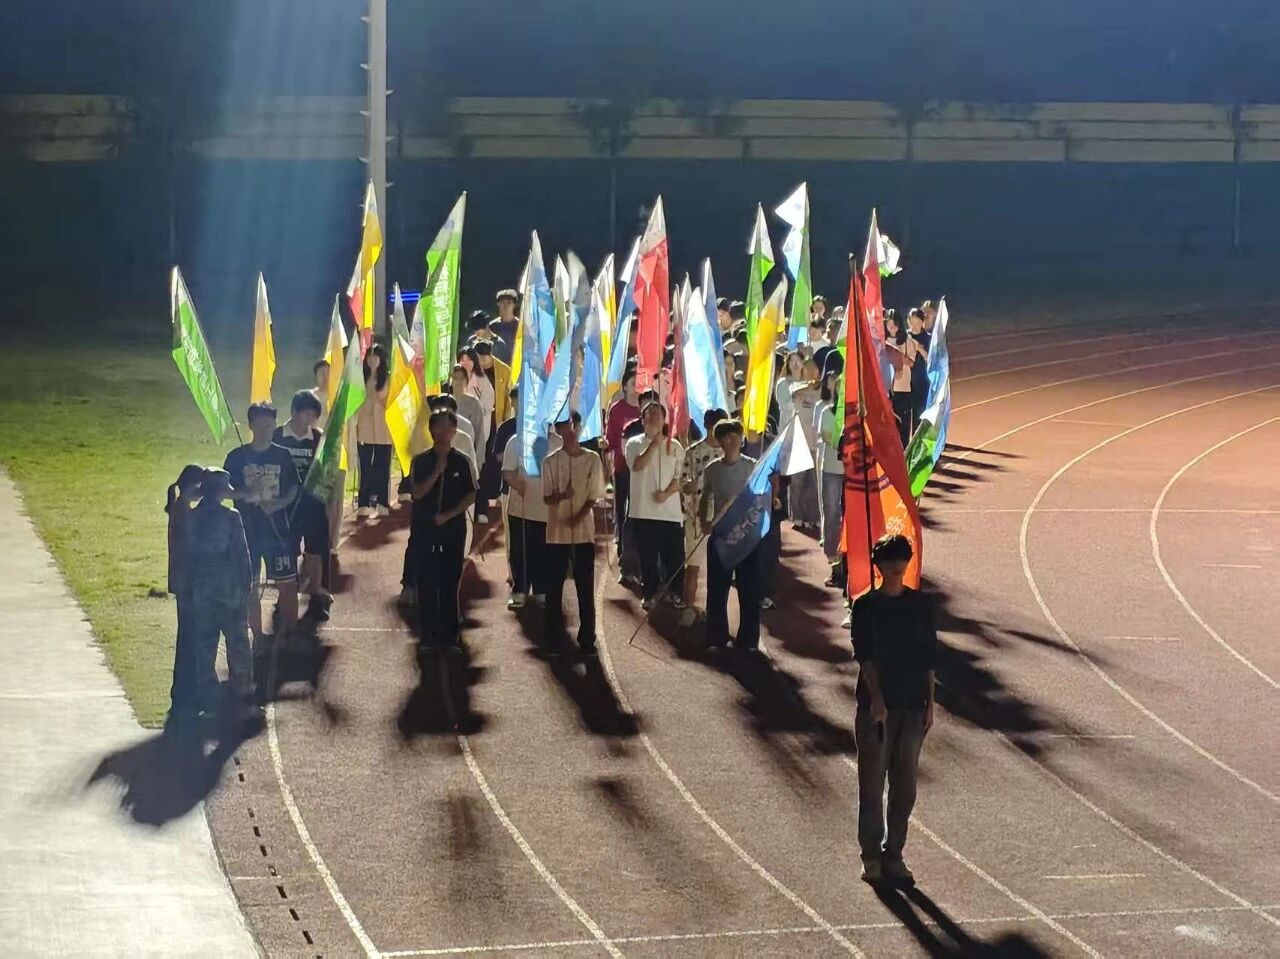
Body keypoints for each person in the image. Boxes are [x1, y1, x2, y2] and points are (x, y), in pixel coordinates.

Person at [852, 533, 937, 886]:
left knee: (905, 787)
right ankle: (871, 855)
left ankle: (895, 853)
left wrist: (931, 703)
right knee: (872, 784)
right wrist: (876, 698)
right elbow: (864, 655)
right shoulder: (865, 607)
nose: (896, 565)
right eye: (889, 559)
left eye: (901, 558)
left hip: (913, 705)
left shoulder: (920, 605)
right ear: (879, 565)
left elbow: (929, 656)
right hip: (879, 710)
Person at [184, 468, 256, 722]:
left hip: (202, 590)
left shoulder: (192, 517)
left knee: (205, 647)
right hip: (230, 590)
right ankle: (242, 697)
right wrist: (247, 586)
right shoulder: (231, 517)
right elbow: (241, 555)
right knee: (238, 644)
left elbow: (187, 556)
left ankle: (208, 701)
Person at [223, 402, 299, 639]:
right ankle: (257, 636)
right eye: (261, 425)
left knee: (287, 584)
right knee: (251, 586)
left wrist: (278, 504)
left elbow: (293, 488)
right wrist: (244, 493)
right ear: (251, 425)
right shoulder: (236, 457)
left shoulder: (283, 455)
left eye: (270, 425)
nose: (266, 430)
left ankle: (289, 634)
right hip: (247, 532)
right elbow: (224, 492)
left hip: (278, 531)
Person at [409, 410, 477, 652]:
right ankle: (428, 636)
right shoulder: (420, 461)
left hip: (452, 531)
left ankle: (450, 637)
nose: (444, 431)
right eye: (439, 426)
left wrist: (449, 515)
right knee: (426, 582)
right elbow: (416, 493)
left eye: (449, 427)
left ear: (455, 431)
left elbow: (471, 494)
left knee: (449, 583)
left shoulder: (462, 462)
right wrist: (437, 471)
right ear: (431, 430)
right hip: (425, 530)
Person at [542, 412, 605, 656]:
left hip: (583, 534)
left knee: (585, 588)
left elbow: (594, 495)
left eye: (572, 425)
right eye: (563, 426)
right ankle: (553, 640)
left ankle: (587, 639)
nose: (569, 430)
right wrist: (562, 495)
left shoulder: (592, 459)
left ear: (579, 427)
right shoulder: (550, 462)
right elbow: (547, 497)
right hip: (556, 534)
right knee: (553, 589)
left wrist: (578, 517)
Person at [701, 420, 765, 650]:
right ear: (720, 442)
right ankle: (716, 636)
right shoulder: (712, 470)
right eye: (727, 437)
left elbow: (764, 496)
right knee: (717, 590)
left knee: (749, 590)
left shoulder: (754, 467)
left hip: (747, 538)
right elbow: (705, 497)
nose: (733, 440)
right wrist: (704, 521)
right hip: (721, 537)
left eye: (737, 435)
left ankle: (748, 640)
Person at [274, 390, 333, 621]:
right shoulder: (278, 436)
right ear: (294, 412)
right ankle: (285, 598)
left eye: (314, 416)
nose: (310, 421)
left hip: (313, 505)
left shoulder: (319, 439)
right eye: (307, 414)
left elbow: (327, 470)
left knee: (316, 552)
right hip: (285, 506)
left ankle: (316, 595)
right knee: (287, 552)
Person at [624, 401, 685, 610]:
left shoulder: (675, 446)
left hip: (670, 513)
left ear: (665, 419)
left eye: (658, 413)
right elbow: (637, 465)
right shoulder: (633, 443)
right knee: (647, 558)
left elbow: (679, 478)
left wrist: (666, 494)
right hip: (643, 512)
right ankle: (649, 593)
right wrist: (655, 443)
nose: (653, 417)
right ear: (642, 420)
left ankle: (675, 593)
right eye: (649, 413)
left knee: (675, 557)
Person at [165, 464, 208, 727]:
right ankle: (185, 696)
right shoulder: (184, 513)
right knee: (190, 641)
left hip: (184, 583)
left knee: (189, 639)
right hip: (189, 584)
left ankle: (186, 695)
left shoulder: (180, 509)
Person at [679, 408, 727, 621]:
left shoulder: (729, 454)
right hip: (697, 519)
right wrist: (687, 488)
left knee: (720, 571)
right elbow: (683, 484)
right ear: (707, 426)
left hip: (723, 520)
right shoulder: (693, 452)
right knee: (693, 567)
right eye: (714, 425)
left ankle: (714, 612)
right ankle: (689, 608)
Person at [501, 421, 548, 609]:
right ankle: (519, 589)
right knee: (519, 551)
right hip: (520, 509)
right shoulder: (516, 441)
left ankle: (541, 589)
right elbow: (507, 471)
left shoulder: (557, 442)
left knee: (543, 551)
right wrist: (520, 487)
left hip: (547, 510)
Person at [604, 367, 642, 585]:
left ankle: (638, 556)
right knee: (622, 510)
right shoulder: (617, 409)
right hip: (622, 467)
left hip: (643, 471)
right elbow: (610, 438)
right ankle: (623, 554)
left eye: (639, 383)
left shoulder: (647, 407)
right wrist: (606, 448)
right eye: (633, 384)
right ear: (625, 387)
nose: (636, 388)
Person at [815, 371, 846, 587]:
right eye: (839, 386)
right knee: (832, 513)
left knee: (851, 516)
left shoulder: (856, 414)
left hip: (852, 471)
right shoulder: (826, 412)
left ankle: (850, 560)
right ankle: (834, 560)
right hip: (832, 470)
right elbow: (828, 438)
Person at [355, 342, 392, 517]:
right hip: (365, 429)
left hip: (384, 430)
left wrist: (378, 399)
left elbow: (392, 403)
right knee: (365, 468)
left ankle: (383, 502)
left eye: (375, 357)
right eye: (369, 357)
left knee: (382, 468)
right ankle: (363, 503)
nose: (372, 360)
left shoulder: (388, 379)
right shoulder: (360, 379)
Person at [788, 357, 822, 531]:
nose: (810, 372)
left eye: (813, 369)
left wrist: (814, 388)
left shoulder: (823, 391)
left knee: (815, 485)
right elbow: (793, 393)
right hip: (799, 444)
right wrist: (808, 387)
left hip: (816, 444)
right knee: (797, 483)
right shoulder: (797, 387)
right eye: (807, 368)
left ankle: (814, 517)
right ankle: (798, 516)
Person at [885, 312, 919, 447]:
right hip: (887, 388)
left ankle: (904, 448)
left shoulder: (907, 341)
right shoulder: (883, 341)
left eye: (894, 324)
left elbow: (911, 362)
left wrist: (897, 355)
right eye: (889, 324)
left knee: (903, 422)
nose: (891, 327)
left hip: (903, 387)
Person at [906, 308, 932, 429]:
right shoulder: (904, 336)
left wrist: (920, 349)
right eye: (912, 323)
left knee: (919, 413)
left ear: (922, 322)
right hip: (905, 381)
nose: (914, 326)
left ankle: (918, 437)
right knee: (905, 413)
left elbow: (931, 360)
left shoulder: (928, 338)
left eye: (917, 323)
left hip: (921, 380)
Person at [774, 351, 804, 428]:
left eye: (798, 360)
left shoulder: (807, 383)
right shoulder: (782, 383)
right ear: (788, 364)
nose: (796, 363)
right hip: (787, 424)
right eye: (792, 361)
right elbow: (785, 405)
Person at [490, 289, 521, 365]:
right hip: (498, 366)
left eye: (509, 303)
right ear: (498, 304)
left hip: (516, 365)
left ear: (514, 305)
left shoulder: (520, 326)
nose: (505, 306)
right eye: (502, 303)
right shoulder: (493, 326)